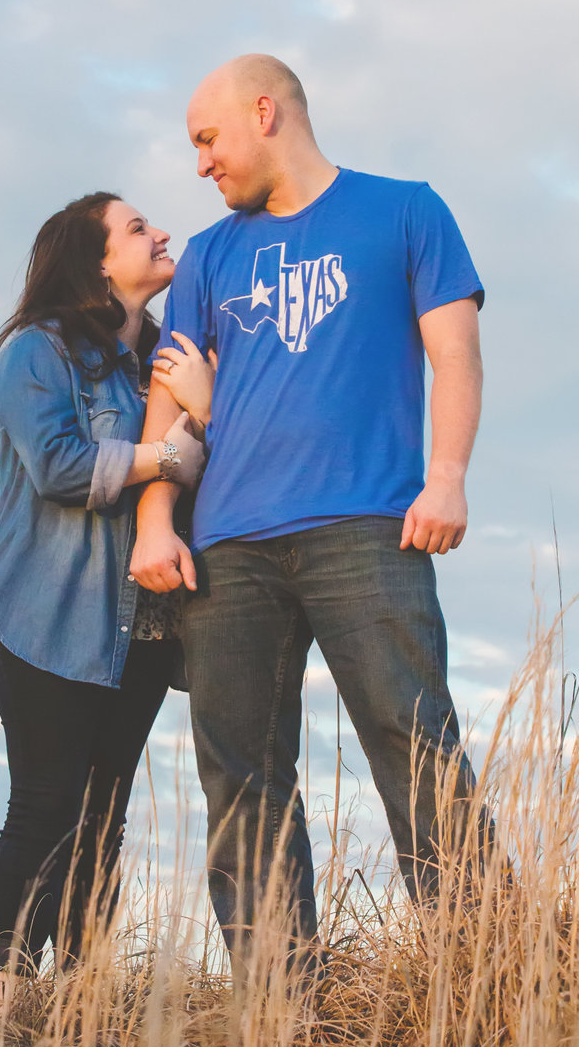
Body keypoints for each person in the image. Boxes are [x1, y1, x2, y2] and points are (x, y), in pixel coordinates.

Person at [133, 55, 489, 966]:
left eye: (207, 140)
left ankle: (488, 969)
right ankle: (277, 1003)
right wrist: (154, 521)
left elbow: (454, 353)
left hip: (368, 525)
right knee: (241, 778)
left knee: (412, 738)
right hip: (227, 550)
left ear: (265, 112)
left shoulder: (405, 210)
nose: (201, 165)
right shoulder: (212, 255)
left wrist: (445, 475)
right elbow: (167, 402)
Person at [0, 192, 204, 988]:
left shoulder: (171, 361)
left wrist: (201, 411)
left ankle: (77, 1002)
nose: (162, 231)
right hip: (46, 612)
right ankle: (4, 1002)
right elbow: (63, 468)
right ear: (95, 261)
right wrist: (166, 457)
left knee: (104, 821)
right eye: (138, 227)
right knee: (46, 807)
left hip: (142, 625)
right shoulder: (37, 352)